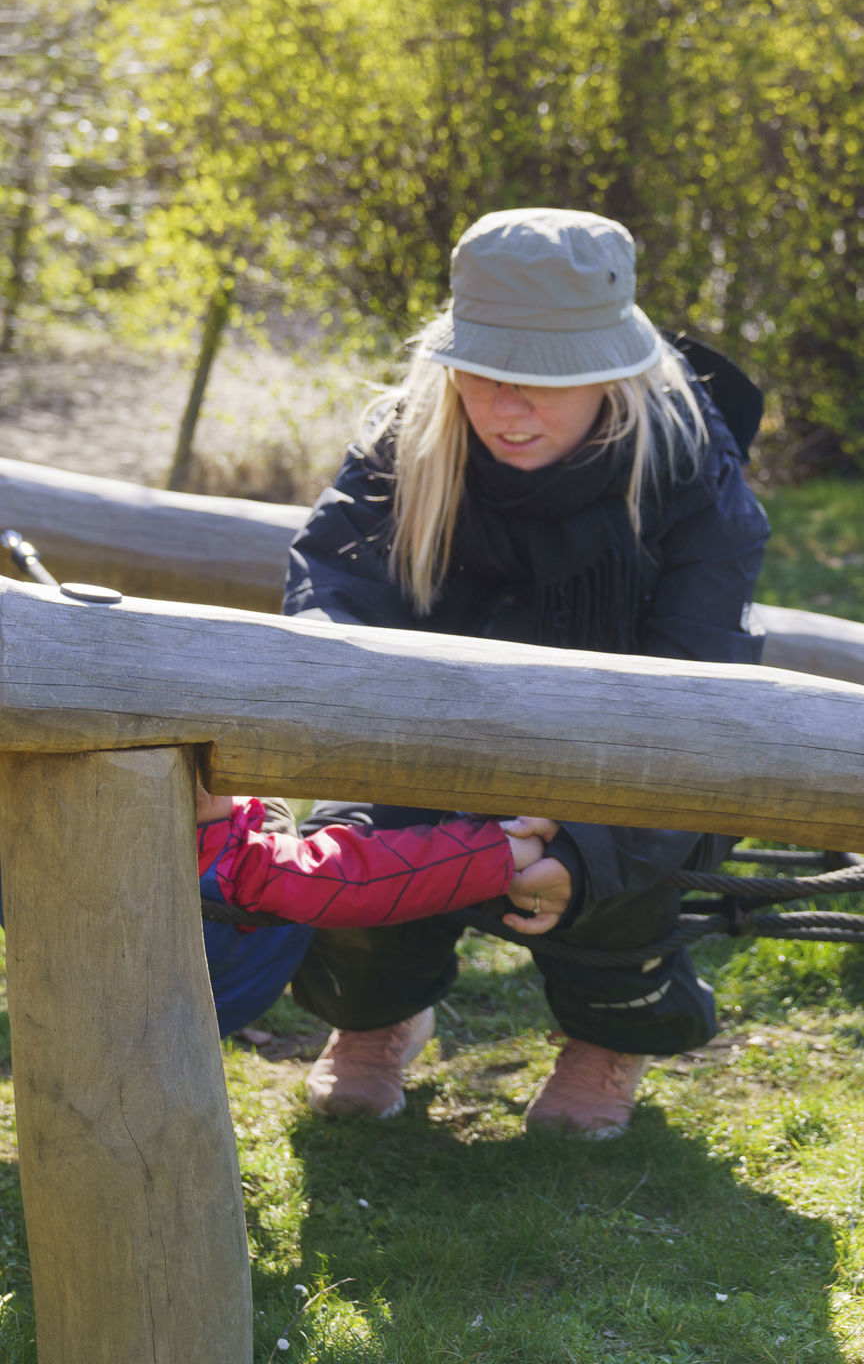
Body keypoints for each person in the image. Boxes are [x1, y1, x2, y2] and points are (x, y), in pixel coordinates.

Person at [282, 208, 771, 1137]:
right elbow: (330, 594)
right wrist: (377, 738)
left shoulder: (691, 473)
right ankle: (378, 1014)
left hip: (623, 756)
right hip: (424, 741)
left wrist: (584, 853)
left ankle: (604, 1039)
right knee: (351, 856)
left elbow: (703, 700)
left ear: (610, 371)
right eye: (485, 372)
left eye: (543, 381)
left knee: (627, 877)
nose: (508, 409)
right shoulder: (406, 440)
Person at [195, 786, 549, 1039]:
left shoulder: (229, 858)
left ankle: (379, 1021)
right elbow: (356, 877)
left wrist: (496, 850)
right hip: (198, 1000)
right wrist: (502, 849)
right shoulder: (235, 862)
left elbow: (351, 875)